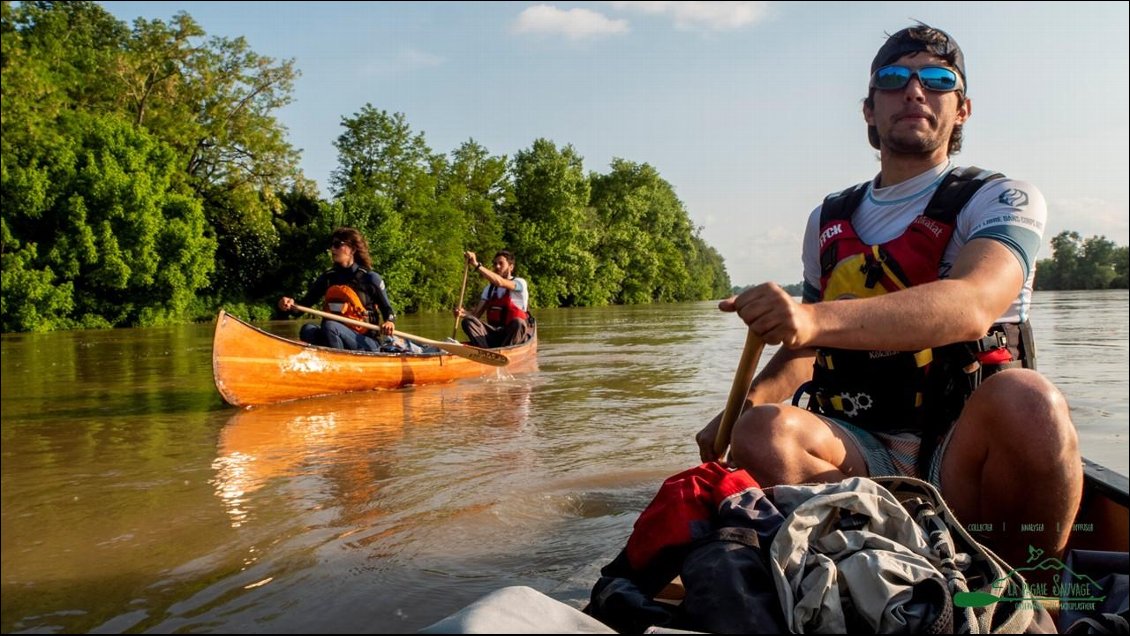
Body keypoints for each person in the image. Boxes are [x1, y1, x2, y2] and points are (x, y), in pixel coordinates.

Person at [696, 23, 1081, 566]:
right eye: (895, 78)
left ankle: (1031, 594)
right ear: (869, 109)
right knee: (761, 431)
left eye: (938, 79)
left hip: (965, 450)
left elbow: (972, 306)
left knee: (1030, 399)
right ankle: (875, 572)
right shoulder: (827, 219)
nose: (915, 91)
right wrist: (742, 408)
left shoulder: (1002, 197)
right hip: (860, 450)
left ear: (962, 108)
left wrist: (808, 317)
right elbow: (808, 350)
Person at [278, 227, 398, 352]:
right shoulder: (328, 278)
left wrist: (389, 322)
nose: (332, 249)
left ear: (353, 249)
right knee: (307, 329)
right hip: (334, 336)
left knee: (330, 326)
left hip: (366, 342)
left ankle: (338, 362)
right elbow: (302, 306)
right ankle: (330, 359)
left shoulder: (370, 278)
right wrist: (289, 305)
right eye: (332, 245)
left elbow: (388, 311)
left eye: (337, 245)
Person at [455, 249, 531, 348]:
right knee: (468, 321)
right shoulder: (489, 289)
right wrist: (463, 313)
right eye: (495, 264)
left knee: (518, 322)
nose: (497, 266)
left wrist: (476, 264)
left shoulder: (519, 283)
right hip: (495, 334)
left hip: (515, 334)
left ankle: (506, 350)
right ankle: (485, 352)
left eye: (501, 263)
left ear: (511, 267)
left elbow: (500, 282)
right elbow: (476, 315)